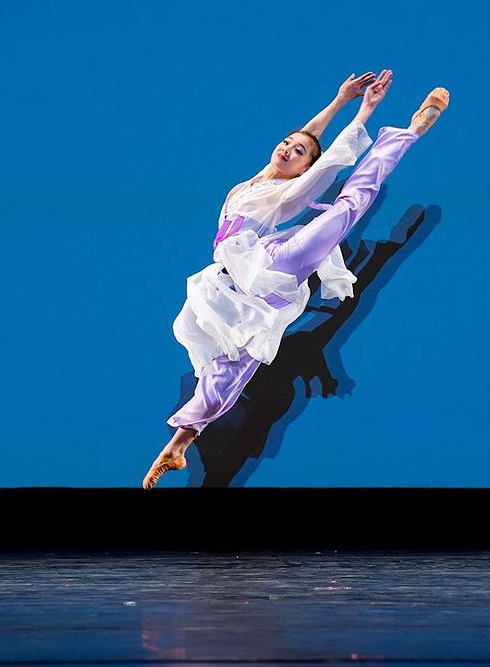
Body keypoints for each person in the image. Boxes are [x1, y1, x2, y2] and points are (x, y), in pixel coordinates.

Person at [143, 70, 449, 490]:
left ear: (307, 168)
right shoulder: (250, 184)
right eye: (286, 143)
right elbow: (307, 133)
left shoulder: (293, 190)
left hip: (275, 263)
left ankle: (411, 130)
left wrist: (365, 110)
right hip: (233, 283)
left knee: (350, 204)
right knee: (229, 367)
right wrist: (339, 99)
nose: (289, 148)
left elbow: (331, 152)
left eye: (299, 152)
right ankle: (178, 445)